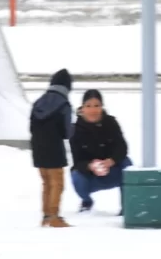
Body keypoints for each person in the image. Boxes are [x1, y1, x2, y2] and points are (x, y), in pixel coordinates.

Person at [70, 89, 132, 213]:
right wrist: (90, 166)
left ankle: (127, 206)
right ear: (82, 108)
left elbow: (122, 147)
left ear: (102, 107)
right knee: (76, 175)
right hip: (91, 175)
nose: (93, 110)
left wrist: (111, 161)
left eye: (97, 106)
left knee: (127, 164)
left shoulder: (111, 122)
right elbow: (77, 161)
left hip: (112, 170)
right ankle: (86, 201)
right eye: (88, 106)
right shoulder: (75, 129)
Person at [30, 68, 74, 228]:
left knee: (46, 183)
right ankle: (55, 217)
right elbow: (67, 132)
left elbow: (32, 127)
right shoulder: (64, 104)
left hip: (38, 148)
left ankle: (46, 216)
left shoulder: (38, 102)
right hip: (55, 149)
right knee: (57, 183)